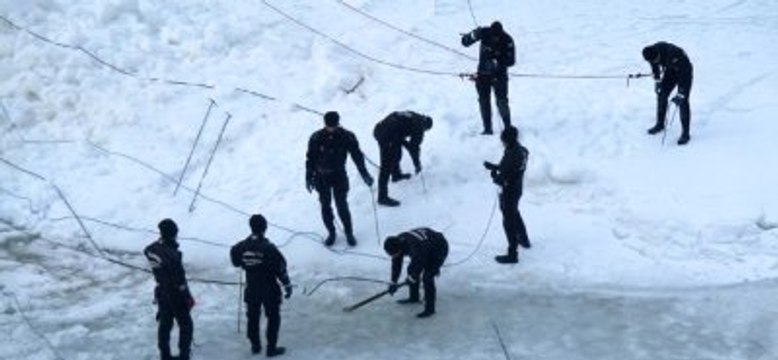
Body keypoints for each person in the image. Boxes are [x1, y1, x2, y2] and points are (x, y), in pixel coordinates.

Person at [306, 111, 374, 247]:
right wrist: (308, 177)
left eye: (334, 126)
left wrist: (365, 174)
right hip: (321, 176)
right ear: (325, 124)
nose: (331, 128)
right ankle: (331, 232)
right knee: (325, 206)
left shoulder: (347, 136)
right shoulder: (316, 137)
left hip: (339, 174)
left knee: (342, 205)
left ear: (338, 123)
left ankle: (349, 232)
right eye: (328, 126)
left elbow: (357, 156)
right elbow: (310, 158)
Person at [231, 214, 293, 357]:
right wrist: (287, 285)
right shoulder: (269, 248)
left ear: (251, 227)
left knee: (252, 317)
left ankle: (255, 345)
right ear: (265, 228)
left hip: (251, 288)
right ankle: (271, 348)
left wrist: (244, 263)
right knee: (273, 317)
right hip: (269, 289)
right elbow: (280, 268)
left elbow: (234, 258)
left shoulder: (241, 246)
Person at [144, 219, 195, 360]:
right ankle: (184, 355)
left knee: (165, 324)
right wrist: (188, 297)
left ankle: (164, 355)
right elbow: (180, 280)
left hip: (161, 291)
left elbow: (147, 251)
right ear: (173, 235)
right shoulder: (173, 255)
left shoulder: (152, 249)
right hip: (175, 294)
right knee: (186, 325)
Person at [483, 126, 530, 264]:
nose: (501, 142)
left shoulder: (511, 154)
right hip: (517, 190)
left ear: (507, 140)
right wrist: (495, 167)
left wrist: (495, 176)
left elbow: (505, 176)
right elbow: (509, 167)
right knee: (515, 213)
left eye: (502, 140)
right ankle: (524, 239)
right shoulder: (520, 150)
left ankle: (512, 254)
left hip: (509, 192)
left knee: (508, 221)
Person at [461, 21, 516, 135]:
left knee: (502, 102)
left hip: (499, 76)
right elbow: (465, 42)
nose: (495, 39)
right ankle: (487, 129)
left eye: (497, 37)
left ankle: (508, 127)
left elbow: (511, 61)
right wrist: (470, 36)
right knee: (483, 101)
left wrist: (497, 59)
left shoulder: (508, 40)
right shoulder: (484, 32)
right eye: (493, 36)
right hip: (483, 74)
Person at [384, 227, 449, 318]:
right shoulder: (397, 242)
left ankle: (430, 309)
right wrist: (393, 282)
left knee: (427, 277)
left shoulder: (414, 246)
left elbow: (420, 262)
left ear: (399, 249)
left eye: (394, 254)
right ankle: (414, 297)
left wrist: (413, 277)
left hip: (439, 248)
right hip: (426, 246)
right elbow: (397, 264)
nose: (393, 256)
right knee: (411, 270)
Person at [373, 111, 433, 207]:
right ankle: (382, 197)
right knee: (386, 166)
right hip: (387, 135)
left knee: (396, 153)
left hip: (381, 129)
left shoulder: (415, 116)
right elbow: (413, 148)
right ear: (425, 127)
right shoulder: (419, 127)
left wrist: (410, 148)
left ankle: (396, 175)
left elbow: (403, 139)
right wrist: (417, 164)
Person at [642, 41, 694, 145]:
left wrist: (681, 93)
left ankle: (685, 133)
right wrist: (657, 81)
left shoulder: (674, 53)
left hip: (685, 72)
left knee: (683, 101)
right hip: (670, 72)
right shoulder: (650, 52)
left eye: (656, 59)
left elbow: (684, 73)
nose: (655, 62)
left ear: (658, 54)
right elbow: (654, 65)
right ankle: (660, 124)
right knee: (662, 95)